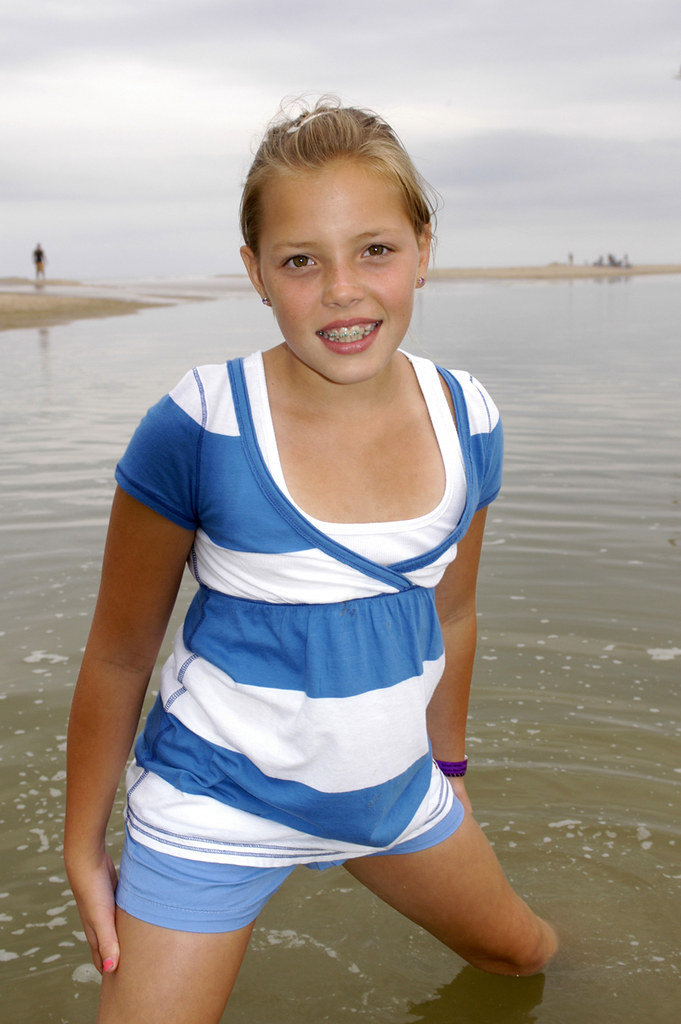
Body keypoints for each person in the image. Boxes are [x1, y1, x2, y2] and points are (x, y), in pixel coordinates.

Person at [64, 98, 558, 1023]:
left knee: (525, 959)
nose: (342, 289)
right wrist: (83, 850)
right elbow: (121, 652)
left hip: (396, 797)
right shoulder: (200, 424)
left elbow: (452, 615)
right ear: (254, 271)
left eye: (375, 249)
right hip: (214, 805)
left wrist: (445, 774)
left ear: (422, 247)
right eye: (301, 260)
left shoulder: (469, 416)